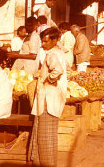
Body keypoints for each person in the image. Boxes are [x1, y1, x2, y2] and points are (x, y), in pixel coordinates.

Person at [30, 27, 68, 166]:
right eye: (42, 41)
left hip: (48, 99)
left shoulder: (52, 54)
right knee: (48, 134)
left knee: (45, 137)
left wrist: (47, 80)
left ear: (54, 40)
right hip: (53, 98)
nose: (43, 44)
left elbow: (58, 70)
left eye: (46, 41)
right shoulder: (58, 52)